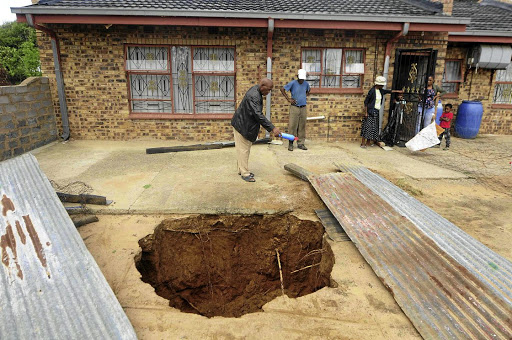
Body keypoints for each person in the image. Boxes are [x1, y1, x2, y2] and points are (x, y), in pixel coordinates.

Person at [231, 78, 281, 182]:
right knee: (243, 150)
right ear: (262, 86)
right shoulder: (254, 96)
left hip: (244, 124)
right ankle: (245, 173)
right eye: (268, 89)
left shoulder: (257, 91)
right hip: (242, 125)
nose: (269, 92)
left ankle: (242, 169)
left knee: (244, 149)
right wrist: (272, 128)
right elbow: (258, 115)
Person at [361, 76, 402, 148]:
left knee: (373, 128)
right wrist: (366, 113)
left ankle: (368, 142)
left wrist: (397, 91)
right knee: (367, 127)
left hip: (376, 111)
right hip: (370, 111)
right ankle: (363, 143)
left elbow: (389, 91)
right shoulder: (372, 91)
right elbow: (366, 102)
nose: (382, 86)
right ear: (378, 84)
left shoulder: (381, 91)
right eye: (381, 84)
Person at [280, 69, 311, 151]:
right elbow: (282, 89)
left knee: (302, 126)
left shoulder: (306, 84)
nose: (301, 80)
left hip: (303, 107)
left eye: (303, 79)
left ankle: (301, 143)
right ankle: (291, 144)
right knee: (292, 126)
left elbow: (308, 91)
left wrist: (303, 96)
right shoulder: (293, 83)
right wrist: (288, 99)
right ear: (297, 77)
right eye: (300, 79)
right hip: (294, 108)